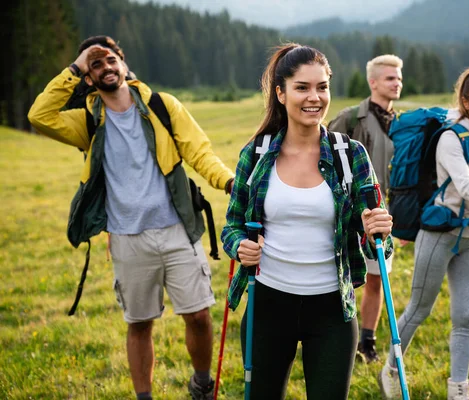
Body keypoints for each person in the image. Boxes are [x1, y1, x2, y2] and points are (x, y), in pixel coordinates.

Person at [28, 35, 235, 400]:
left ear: (124, 66)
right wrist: (74, 68)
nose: (105, 67)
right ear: (88, 78)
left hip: (177, 231)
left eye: (110, 60)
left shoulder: (162, 106)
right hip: (126, 238)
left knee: (200, 316)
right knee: (139, 324)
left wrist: (228, 181)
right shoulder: (87, 122)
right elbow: (39, 116)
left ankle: (202, 383)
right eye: (95, 64)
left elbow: (199, 151)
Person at [221, 43, 394, 399]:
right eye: (302, 87)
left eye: (322, 87)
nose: (314, 97)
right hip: (267, 303)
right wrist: (240, 246)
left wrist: (377, 229)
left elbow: (379, 245)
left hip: (332, 309)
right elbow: (232, 226)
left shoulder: (350, 155)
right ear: (280, 93)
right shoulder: (255, 154)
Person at [378, 67, 469, 399]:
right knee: (419, 309)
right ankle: (390, 369)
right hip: (440, 235)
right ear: (465, 101)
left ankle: (458, 389)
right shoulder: (450, 138)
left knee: (464, 317)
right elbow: (466, 187)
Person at [328, 54, 403, 363]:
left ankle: (367, 342)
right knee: (340, 278)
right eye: (390, 78)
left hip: (382, 217)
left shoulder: (401, 124)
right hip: (348, 215)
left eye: (399, 78)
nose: (397, 83)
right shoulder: (350, 118)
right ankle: (334, 337)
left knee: (377, 277)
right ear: (373, 82)